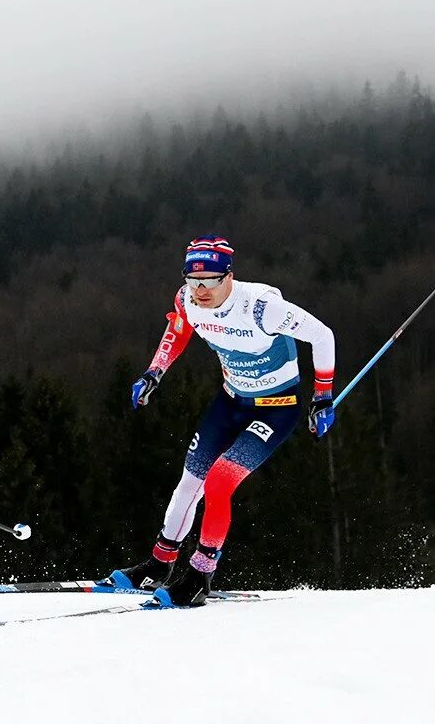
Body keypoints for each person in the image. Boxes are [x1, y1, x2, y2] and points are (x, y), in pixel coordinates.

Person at [110, 235, 336, 606]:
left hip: (276, 407)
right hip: (231, 402)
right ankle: (159, 563)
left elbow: (322, 336)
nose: (201, 290)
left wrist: (323, 395)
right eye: (193, 280)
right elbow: (179, 329)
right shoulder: (187, 299)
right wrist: (154, 372)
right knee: (190, 481)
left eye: (211, 280)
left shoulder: (263, 308)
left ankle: (200, 576)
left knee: (218, 482)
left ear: (229, 276)